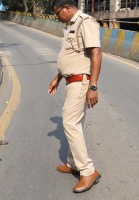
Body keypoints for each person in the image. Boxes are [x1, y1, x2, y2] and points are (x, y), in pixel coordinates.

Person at [47, 0, 102, 193]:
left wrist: (93, 87)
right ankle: (74, 164)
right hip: (72, 81)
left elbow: (95, 52)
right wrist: (58, 77)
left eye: (57, 12)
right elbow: (72, 55)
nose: (56, 16)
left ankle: (88, 171)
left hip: (81, 81)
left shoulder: (85, 22)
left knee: (70, 123)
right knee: (74, 124)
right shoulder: (71, 25)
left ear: (68, 8)